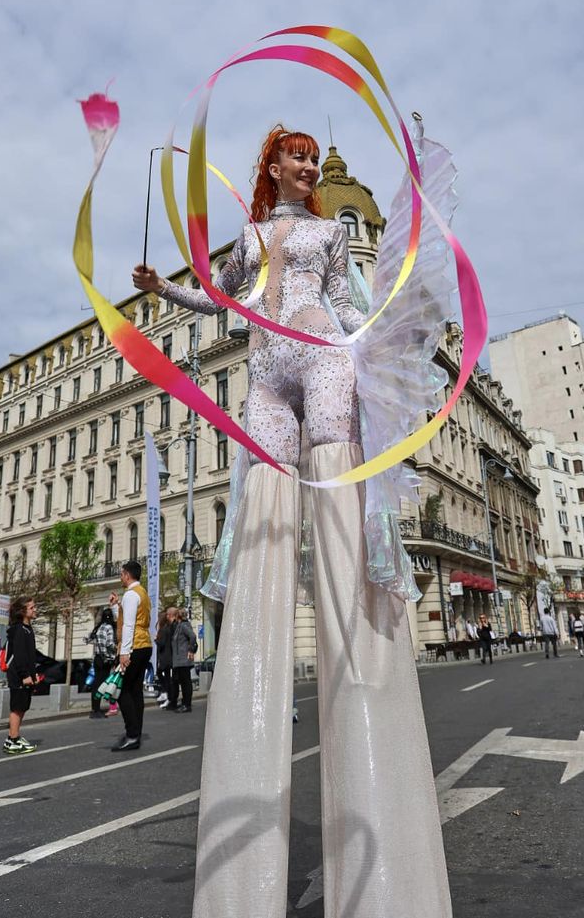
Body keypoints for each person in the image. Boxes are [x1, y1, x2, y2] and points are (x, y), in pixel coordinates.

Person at [132, 123, 452, 917]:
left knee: (341, 504)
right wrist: (162, 290)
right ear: (272, 165)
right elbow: (221, 293)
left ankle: (384, 876)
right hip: (266, 376)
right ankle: (241, 881)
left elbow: (345, 299)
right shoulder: (256, 232)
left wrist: (376, 332)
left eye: (314, 158)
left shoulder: (330, 230)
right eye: (296, 157)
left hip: (324, 356)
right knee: (265, 520)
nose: (308, 166)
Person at [109, 560, 152, 751]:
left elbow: (128, 624)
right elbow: (129, 619)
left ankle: (132, 734)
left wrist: (125, 652)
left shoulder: (130, 594)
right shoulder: (142, 593)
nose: (120, 577)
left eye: (121, 574)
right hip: (145, 644)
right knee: (135, 691)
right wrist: (115, 606)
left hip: (135, 645)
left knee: (122, 690)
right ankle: (136, 733)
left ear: (127, 575)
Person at [3, 597, 39, 754]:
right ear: (23, 612)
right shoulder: (18, 630)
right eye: (31, 608)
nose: (35, 609)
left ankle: (13, 736)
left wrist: (34, 673)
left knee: (23, 706)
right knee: (17, 707)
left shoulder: (28, 629)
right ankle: (13, 740)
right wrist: (25, 674)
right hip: (18, 675)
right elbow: (19, 655)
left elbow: (30, 655)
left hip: (27, 674)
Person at [85, 607, 117, 718]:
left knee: (96, 683)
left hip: (97, 658)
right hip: (106, 659)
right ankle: (96, 710)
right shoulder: (109, 628)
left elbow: (87, 639)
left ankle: (95, 708)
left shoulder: (98, 627)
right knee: (101, 684)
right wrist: (116, 649)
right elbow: (109, 644)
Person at [167, 607, 198, 712]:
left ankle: (187, 704)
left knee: (186, 683)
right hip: (178, 660)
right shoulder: (178, 626)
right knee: (180, 682)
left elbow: (192, 636)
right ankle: (183, 703)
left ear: (178, 616)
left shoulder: (184, 626)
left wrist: (190, 650)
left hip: (183, 660)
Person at [155, 608, 176, 706]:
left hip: (165, 656)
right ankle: (167, 695)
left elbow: (162, 643)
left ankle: (166, 693)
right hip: (168, 656)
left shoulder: (163, 630)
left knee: (162, 674)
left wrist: (156, 640)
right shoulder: (168, 628)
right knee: (166, 675)